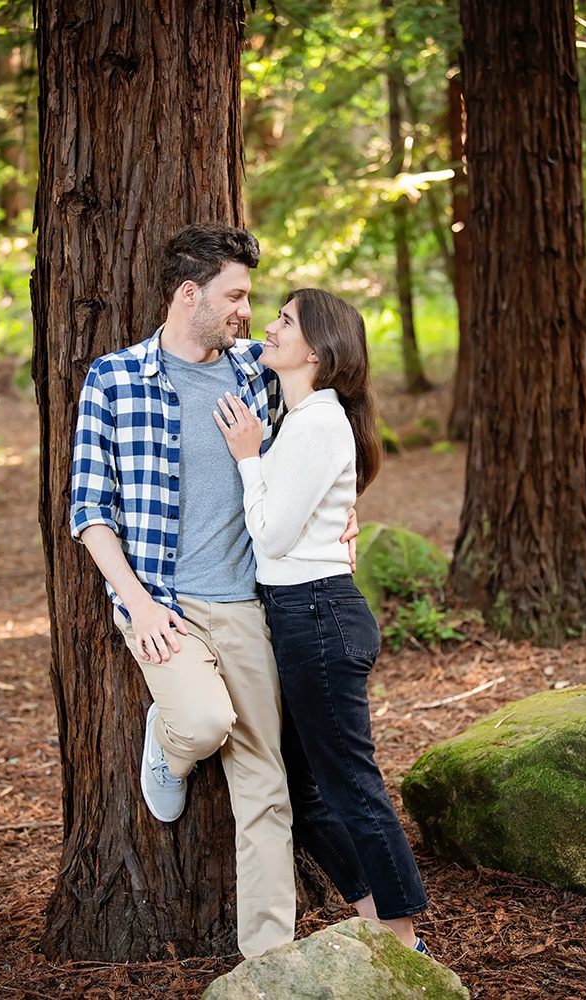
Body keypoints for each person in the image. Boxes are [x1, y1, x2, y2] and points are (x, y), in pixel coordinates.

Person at [70, 225, 361, 959]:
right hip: (160, 601)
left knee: (266, 787)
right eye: (234, 296)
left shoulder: (256, 376)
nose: (244, 311)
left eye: (251, 299)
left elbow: (314, 452)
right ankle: (166, 744)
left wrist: (344, 517)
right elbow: (88, 511)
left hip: (246, 604)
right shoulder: (114, 379)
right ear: (188, 294)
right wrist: (135, 602)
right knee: (201, 723)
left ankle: (266, 959)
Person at [215, 287, 430, 953]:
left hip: (317, 616)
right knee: (304, 789)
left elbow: (273, 538)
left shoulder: (315, 424)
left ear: (315, 349)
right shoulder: (303, 413)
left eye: (283, 320)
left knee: (349, 787)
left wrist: (247, 459)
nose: (267, 328)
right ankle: (373, 916)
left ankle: (402, 939)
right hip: (299, 614)